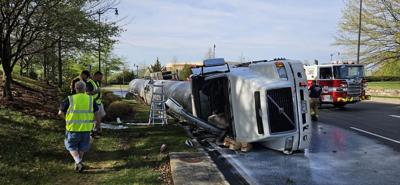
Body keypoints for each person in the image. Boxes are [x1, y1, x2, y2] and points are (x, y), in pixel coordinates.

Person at [58, 81, 100, 172]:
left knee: (71, 146)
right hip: (86, 128)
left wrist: (66, 119)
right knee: (82, 147)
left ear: (75, 89)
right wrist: (96, 124)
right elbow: (96, 113)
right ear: (85, 89)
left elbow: (60, 113)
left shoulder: (69, 99)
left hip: (72, 128)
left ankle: (78, 162)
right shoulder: (90, 99)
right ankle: (78, 164)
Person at [86, 71, 106, 135]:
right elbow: (87, 93)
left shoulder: (97, 82)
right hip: (93, 103)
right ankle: (94, 130)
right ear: (96, 76)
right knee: (94, 117)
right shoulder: (89, 82)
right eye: (100, 77)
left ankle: (97, 129)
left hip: (99, 102)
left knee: (100, 116)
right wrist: (96, 91)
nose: (101, 79)